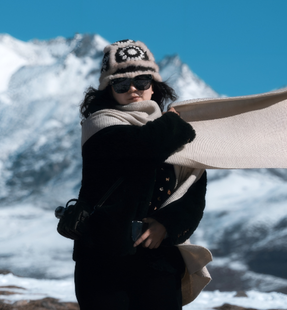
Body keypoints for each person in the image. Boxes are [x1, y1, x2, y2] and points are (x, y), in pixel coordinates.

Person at [74, 39, 207, 310]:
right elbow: (143, 147)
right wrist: (174, 125)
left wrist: (166, 225)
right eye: (121, 84)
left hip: (159, 261)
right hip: (102, 261)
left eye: (142, 81)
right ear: (108, 89)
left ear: (154, 85)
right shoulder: (99, 126)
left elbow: (193, 194)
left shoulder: (173, 131)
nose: (133, 89)